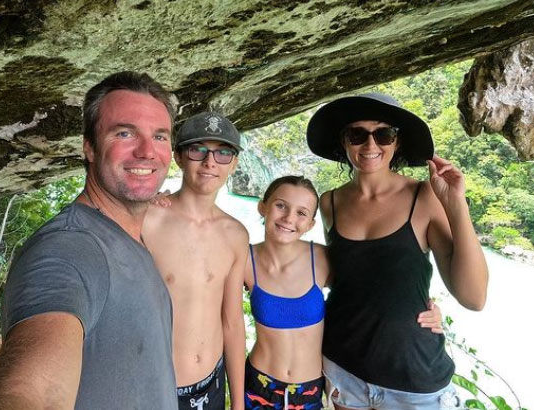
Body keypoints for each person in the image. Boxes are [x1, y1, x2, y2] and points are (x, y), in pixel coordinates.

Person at [0, 71, 178, 410]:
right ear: (89, 148)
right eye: (124, 133)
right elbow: (33, 391)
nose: (147, 151)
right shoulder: (67, 249)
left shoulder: (129, 236)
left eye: (160, 136)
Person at [307, 93, 489, 409]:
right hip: (344, 366)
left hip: (413, 377)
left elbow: (473, 297)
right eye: (357, 134)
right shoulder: (329, 202)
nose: (370, 145)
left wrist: (455, 203)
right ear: (344, 141)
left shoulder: (424, 197)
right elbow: (348, 280)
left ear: (397, 142)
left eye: (383, 134)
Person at [243, 175, 444, 410]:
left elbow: (374, 290)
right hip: (259, 383)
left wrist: (426, 308)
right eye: (280, 206)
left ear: (311, 224)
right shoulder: (244, 259)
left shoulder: (320, 258)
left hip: (308, 389)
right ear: (262, 206)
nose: (288, 218)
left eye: (301, 213)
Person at [143, 112, 248, 410]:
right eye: (197, 150)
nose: (210, 162)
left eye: (223, 152)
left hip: (211, 385)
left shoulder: (235, 234)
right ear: (178, 157)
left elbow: (232, 322)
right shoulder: (149, 220)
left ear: (234, 163)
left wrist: (238, 403)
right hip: (158, 385)